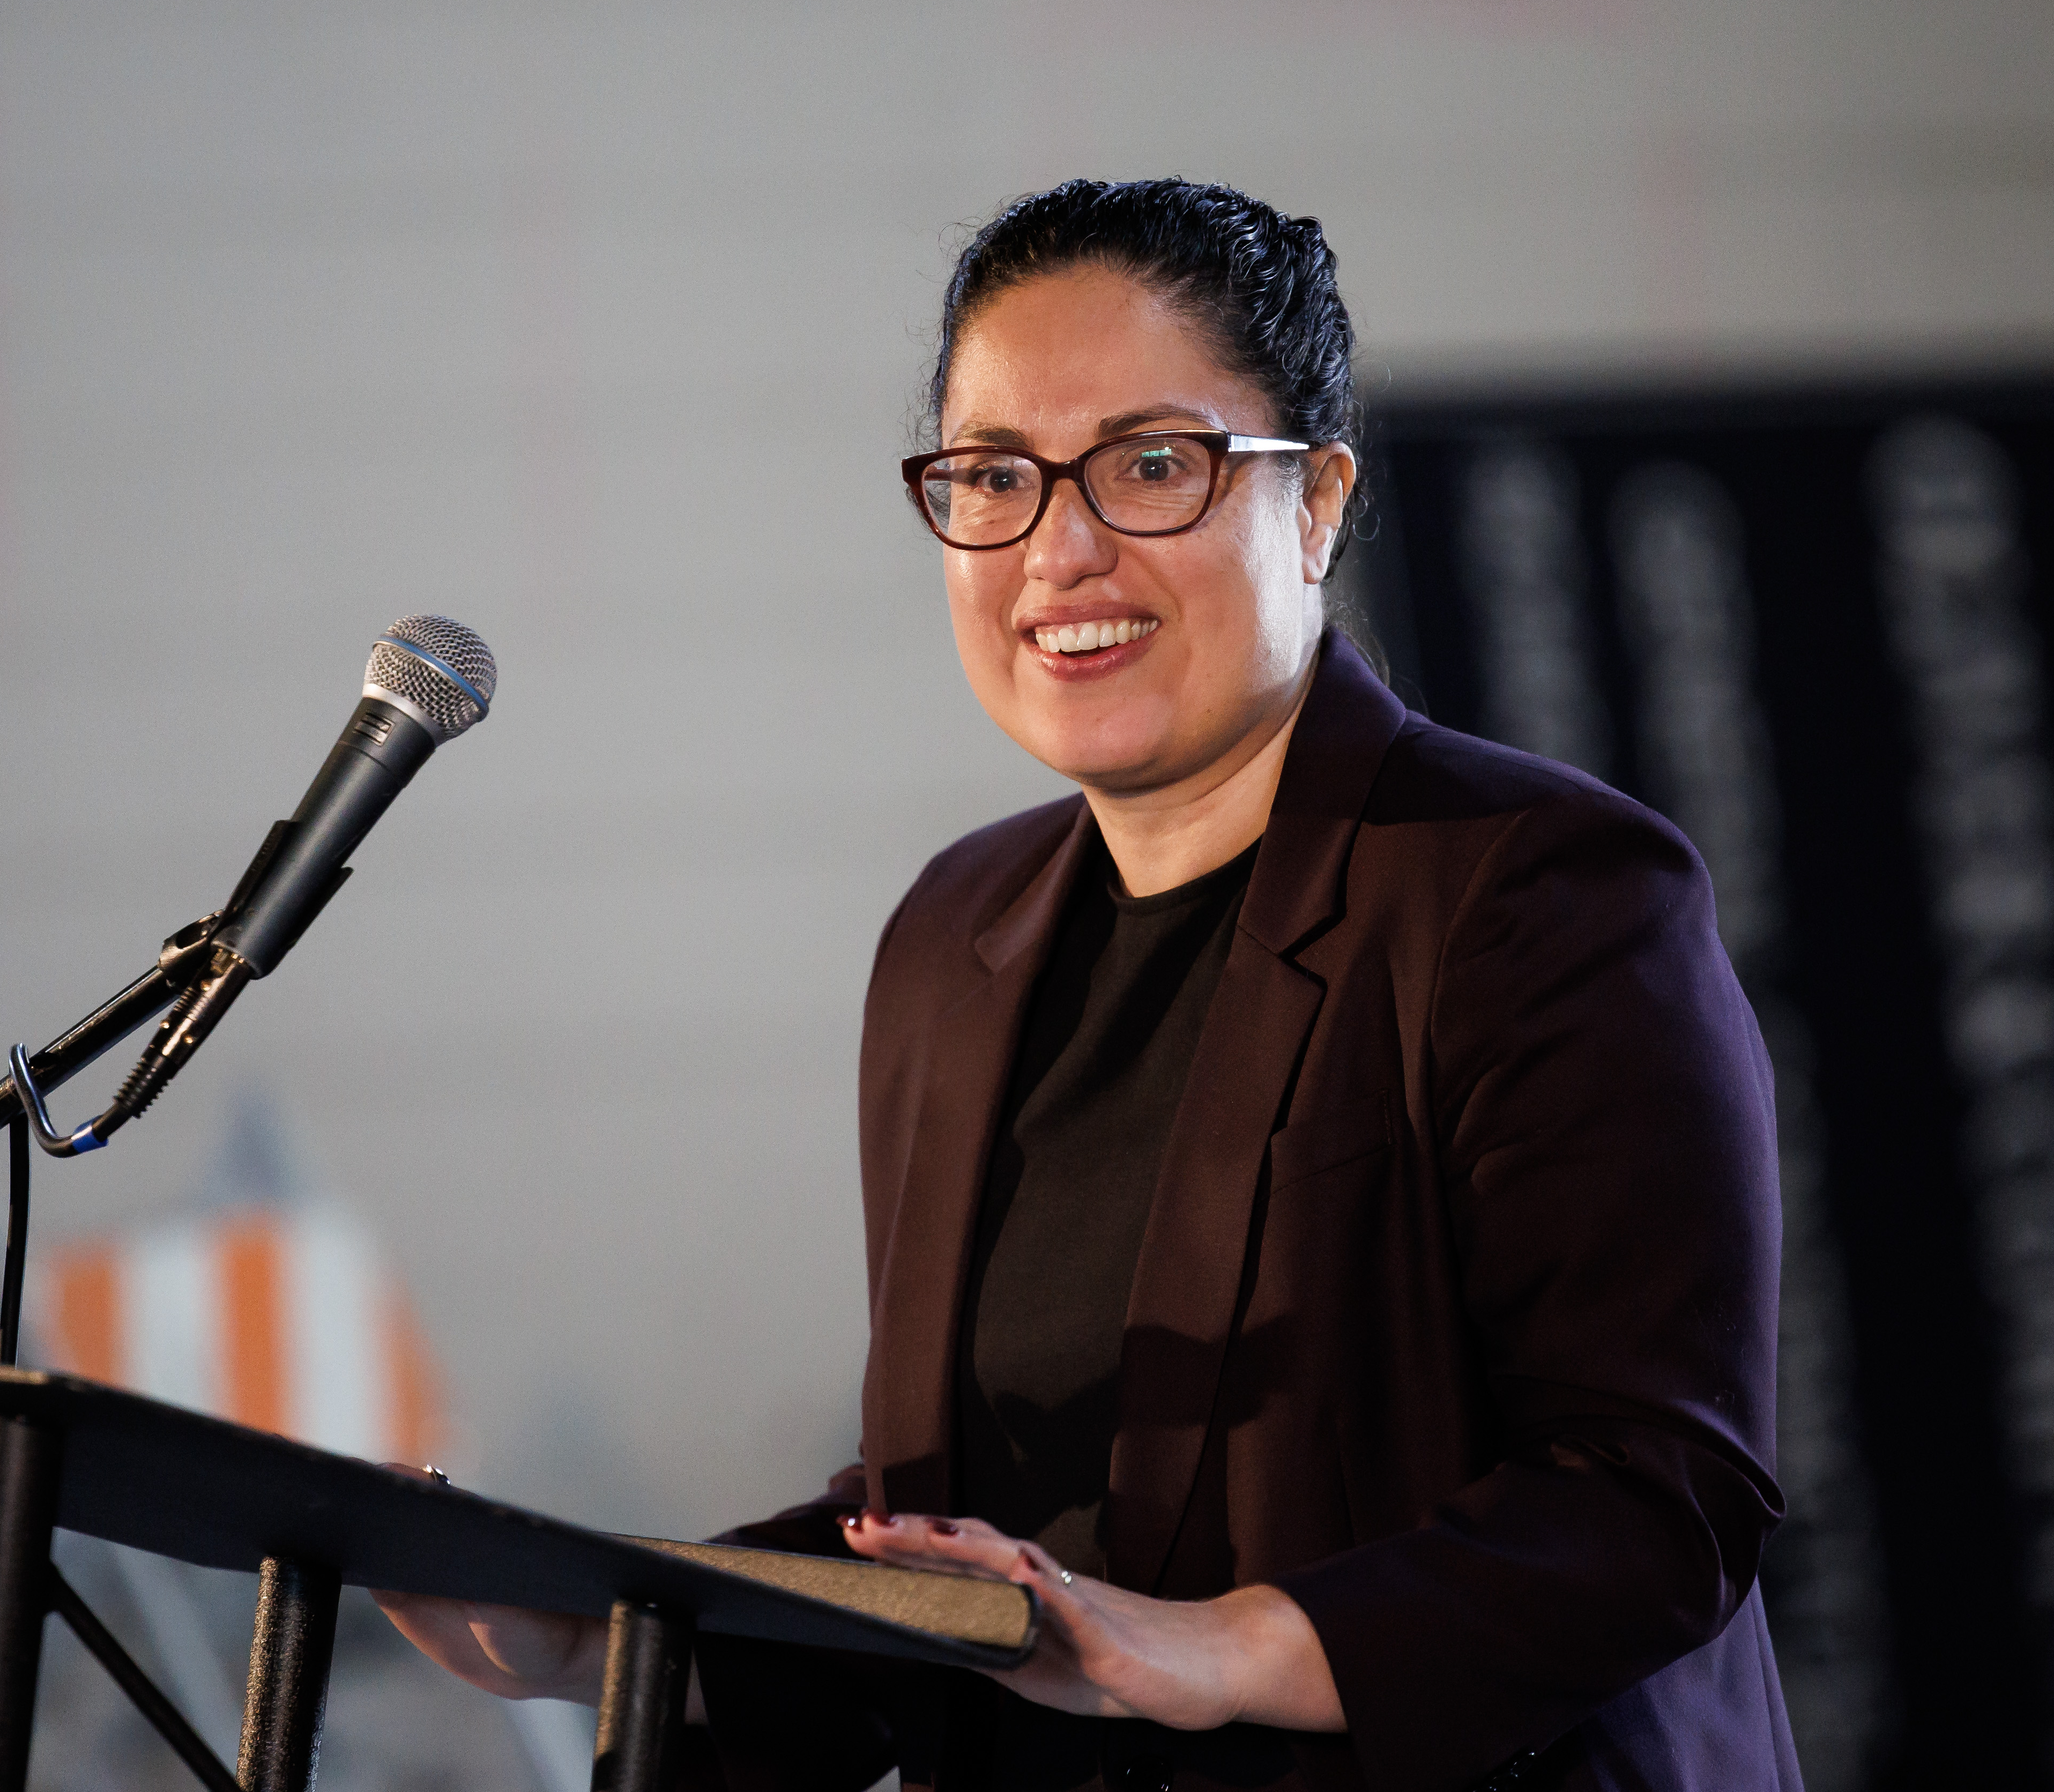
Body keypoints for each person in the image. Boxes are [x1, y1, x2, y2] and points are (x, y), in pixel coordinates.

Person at [378, 179, 1799, 1792]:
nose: (1057, 549)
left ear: (1316, 500)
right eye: (993, 475)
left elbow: (1649, 1498)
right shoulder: (952, 935)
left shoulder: (1530, 889)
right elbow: (961, 1548)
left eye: (1146, 465)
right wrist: (606, 1633)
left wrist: (1215, 1644)